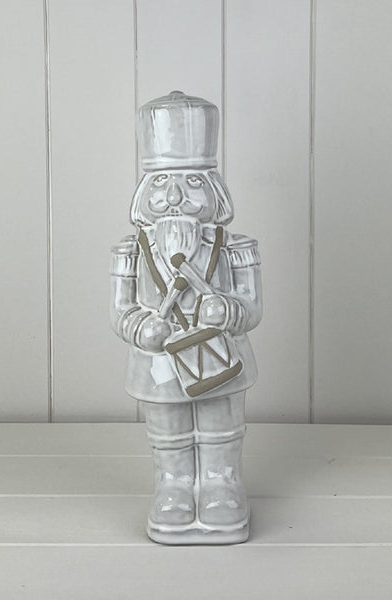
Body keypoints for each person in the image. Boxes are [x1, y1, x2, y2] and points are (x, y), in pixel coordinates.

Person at [110, 91, 262, 544]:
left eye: (192, 182)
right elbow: (120, 309)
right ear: (143, 192)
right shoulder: (131, 251)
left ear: (215, 189)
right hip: (159, 361)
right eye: (161, 183)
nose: (174, 196)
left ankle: (220, 485)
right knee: (169, 431)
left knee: (219, 427)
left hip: (218, 357)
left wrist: (229, 310)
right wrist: (140, 326)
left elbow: (253, 305)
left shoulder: (235, 248)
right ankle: (173, 488)